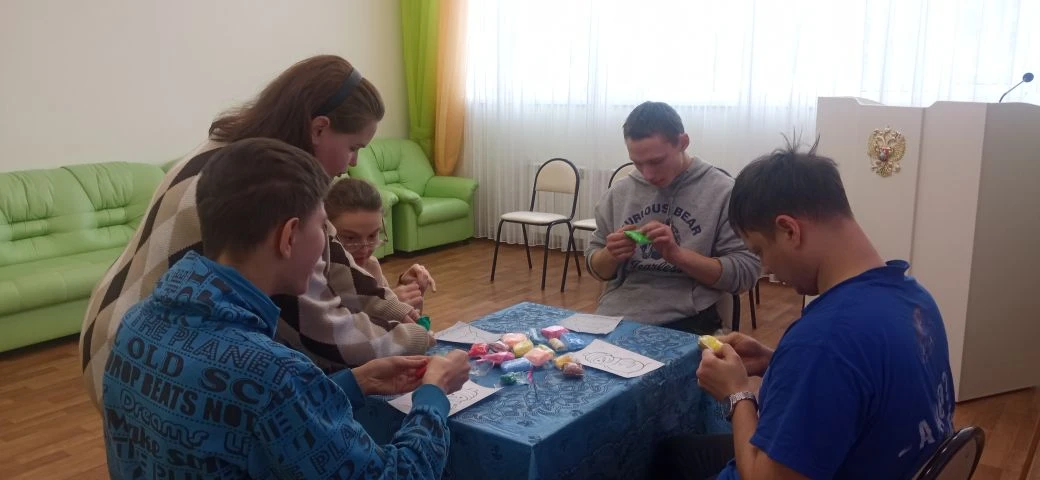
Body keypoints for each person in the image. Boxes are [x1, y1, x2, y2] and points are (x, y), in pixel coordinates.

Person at [101, 138, 470, 479]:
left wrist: (354, 383)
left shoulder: (134, 324)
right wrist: (433, 395)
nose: (328, 247)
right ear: (289, 236)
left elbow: (249, 423)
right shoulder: (273, 372)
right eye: (324, 229)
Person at [80, 55, 431, 410]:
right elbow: (321, 330)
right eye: (353, 147)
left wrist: (390, 308)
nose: (352, 163)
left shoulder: (238, 154)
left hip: (119, 331)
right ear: (319, 129)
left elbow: (330, 251)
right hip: (141, 364)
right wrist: (414, 340)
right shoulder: (268, 189)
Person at [652, 140, 955, 479]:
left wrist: (737, 394)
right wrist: (775, 361)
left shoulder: (824, 340)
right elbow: (861, 384)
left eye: (759, 250)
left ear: (789, 230)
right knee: (673, 453)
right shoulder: (916, 298)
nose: (766, 268)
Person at [585, 101, 760, 334]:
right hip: (615, 316)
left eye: (656, 161)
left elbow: (745, 273)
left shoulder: (723, 193)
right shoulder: (618, 194)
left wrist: (677, 255)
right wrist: (610, 254)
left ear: (683, 142)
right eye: (637, 163)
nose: (648, 174)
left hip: (688, 319)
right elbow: (597, 268)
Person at [325, 178, 437, 310]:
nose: (365, 250)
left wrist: (410, 291)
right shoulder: (320, 278)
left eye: (372, 235)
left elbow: (404, 321)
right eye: (350, 238)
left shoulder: (371, 267)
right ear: (327, 231)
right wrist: (388, 304)